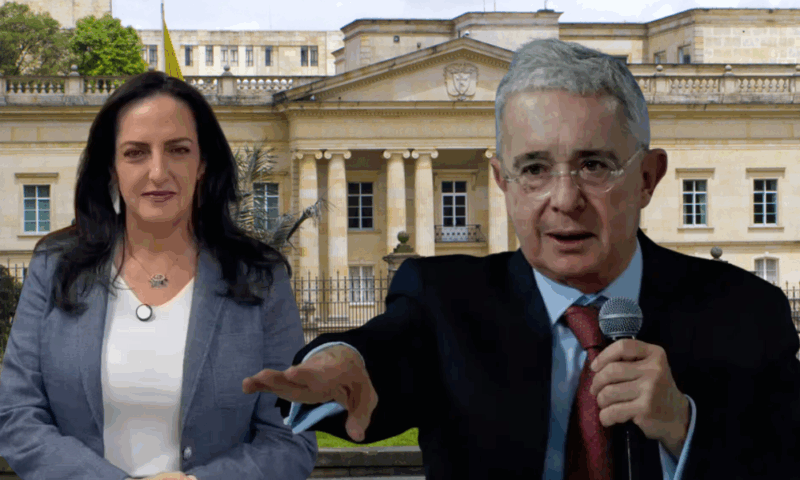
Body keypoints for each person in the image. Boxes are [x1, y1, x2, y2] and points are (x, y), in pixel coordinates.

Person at [242, 38, 800, 479]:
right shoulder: (445, 302)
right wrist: (343, 360)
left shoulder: (747, 313)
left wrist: (684, 427)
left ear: (648, 178)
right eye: (534, 169)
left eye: (594, 166)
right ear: (501, 181)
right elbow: (387, 350)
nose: (564, 199)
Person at [0, 72, 317, 480]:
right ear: (111, 167)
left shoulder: (260, 276)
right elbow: (16, 414)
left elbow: (290, 438)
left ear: (203, 163)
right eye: (135, 153)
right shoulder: (55, 266)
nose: (157, 172)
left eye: (177, 150)